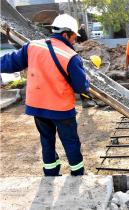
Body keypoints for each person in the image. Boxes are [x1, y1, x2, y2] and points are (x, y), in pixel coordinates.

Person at [0, 14, 89, 176]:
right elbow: (80, 87)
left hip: (38, 107)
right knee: (71, 142)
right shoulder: (71, 56)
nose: (75, 40)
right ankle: (77, 174)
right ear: (65, 34)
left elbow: (9, 62)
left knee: (47, 141)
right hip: (62, 110)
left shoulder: (32, 46)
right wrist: (86, 79)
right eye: (74, 36)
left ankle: (51, 174)